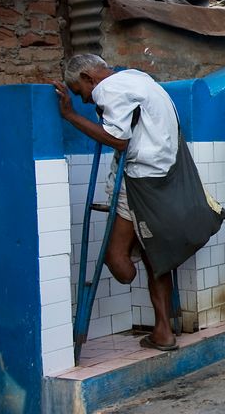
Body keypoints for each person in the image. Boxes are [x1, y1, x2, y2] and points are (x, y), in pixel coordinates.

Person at [53, 55, 183, 351]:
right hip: (162, 179)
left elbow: (118, 139)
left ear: (88, 78)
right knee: (155, 260)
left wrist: (71, 116)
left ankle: (158, 324)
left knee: (117, 261)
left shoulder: (108, 88)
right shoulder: (138, 79)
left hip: (137, 181)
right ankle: (164, 332)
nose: (85, 99)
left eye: (80, 91)